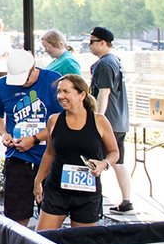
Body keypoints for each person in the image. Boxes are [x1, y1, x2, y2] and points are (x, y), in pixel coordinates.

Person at [32, 74, 120, 231]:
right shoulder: (54, 120)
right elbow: (50, 153)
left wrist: (103, 164)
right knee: (42, 241)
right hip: (57, 190)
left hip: (87, 193)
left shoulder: (99, 121)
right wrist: (38, 181)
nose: (61, 96)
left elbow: (114, 152)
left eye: (66, 91)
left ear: (82, 95)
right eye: (59, 92)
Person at [0, 49, 62, 226]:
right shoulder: (2, 85)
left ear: (33, 68)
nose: (23, 83)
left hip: (47, 156)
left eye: (26, 79)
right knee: (16, 216)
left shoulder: (54, 80)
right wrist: (4, 133)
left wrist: (35, 138)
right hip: (17, 159)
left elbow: (62, 120)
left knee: (50, 214)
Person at [88, 26, 134, 213]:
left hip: (109, 121)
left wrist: (97, 118)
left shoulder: (105, 64)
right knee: (118, 161)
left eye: (92, 41)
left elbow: (104, 94)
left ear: (102, 43)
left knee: (96, 161)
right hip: (119, 120)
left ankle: (93, 202)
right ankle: (126, 200)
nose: (89, 45)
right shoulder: (115, 61)